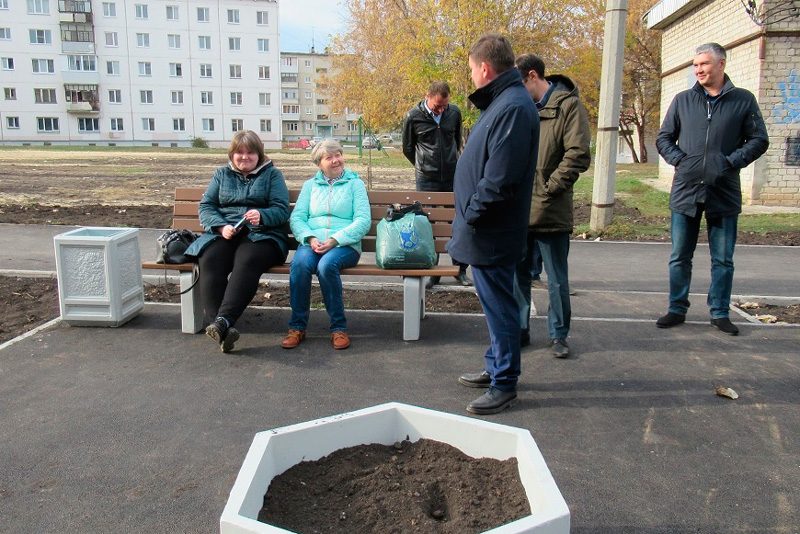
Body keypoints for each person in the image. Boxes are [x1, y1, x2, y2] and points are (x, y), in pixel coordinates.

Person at [448, 34, 539, 415]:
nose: (471, 77)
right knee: (494, 305)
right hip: (486, 229)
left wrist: (469, 215)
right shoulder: (506, 101)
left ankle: (505, 383)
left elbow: (499, 179)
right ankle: (495, 365)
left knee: (501, 307)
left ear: (485, 69)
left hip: (490, 230)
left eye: (471, 70)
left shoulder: (513, 107)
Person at [655, 43, 768, 336]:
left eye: (704, 64)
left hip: (724, 191)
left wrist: (730, 162)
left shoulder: (743, 100)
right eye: (695, 66)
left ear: (721, 64)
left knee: (723, 259)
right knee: (680, 255)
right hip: (686, 191)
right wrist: (681, 160)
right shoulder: (682, 100)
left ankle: (720, 312)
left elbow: (758, 139)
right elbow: (664, 137)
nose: (699, 70)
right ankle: (676, 308)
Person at [513, 53, 592, 356]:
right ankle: (520, 329)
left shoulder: (568, 105)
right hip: (520, 209)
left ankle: (559, 335)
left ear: (533, 76)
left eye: (519, 83)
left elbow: (578, 154)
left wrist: (549, 188)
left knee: (557, 278)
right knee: (518, 275)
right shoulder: (521, 107)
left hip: (551, 208)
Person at [185, 130, 290, 353]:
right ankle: (222, 326)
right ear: (232, 155)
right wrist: (221, 226)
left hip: (263, 236)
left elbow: (281, 211)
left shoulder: (272, 175)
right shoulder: (221, 174)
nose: (245, 157)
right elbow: (206, 207)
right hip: (226, 234)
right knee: (210, 258)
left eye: (250, 153)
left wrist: (263, 216)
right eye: (239, 153)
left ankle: (223, 321)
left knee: (247, 259)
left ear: (259, 155)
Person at [281, 139, 371, 350]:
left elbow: (363, 220)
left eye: (338, 155)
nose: (335, 160)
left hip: (344, 245)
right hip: (313, 243)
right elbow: (298, 218)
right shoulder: (310, 186)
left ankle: (338, 328)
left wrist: (335, 240)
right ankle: (297, 327)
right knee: (300, 265)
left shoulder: (355, 184)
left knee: (326, 266)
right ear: (318, 163)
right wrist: (310, 238)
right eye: (328, 157)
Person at [402, 81, 472, 289]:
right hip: (426, 179)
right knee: (429, 225)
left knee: (457, 223)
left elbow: (456, 139)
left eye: (445, 105)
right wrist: (423, 165)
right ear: (427, 96)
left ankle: (460, 270)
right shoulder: (412, 116)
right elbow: (408, 148)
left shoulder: (454, 113)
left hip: (452, 176)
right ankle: (433, 271)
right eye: (437, 106)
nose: (441, 110)